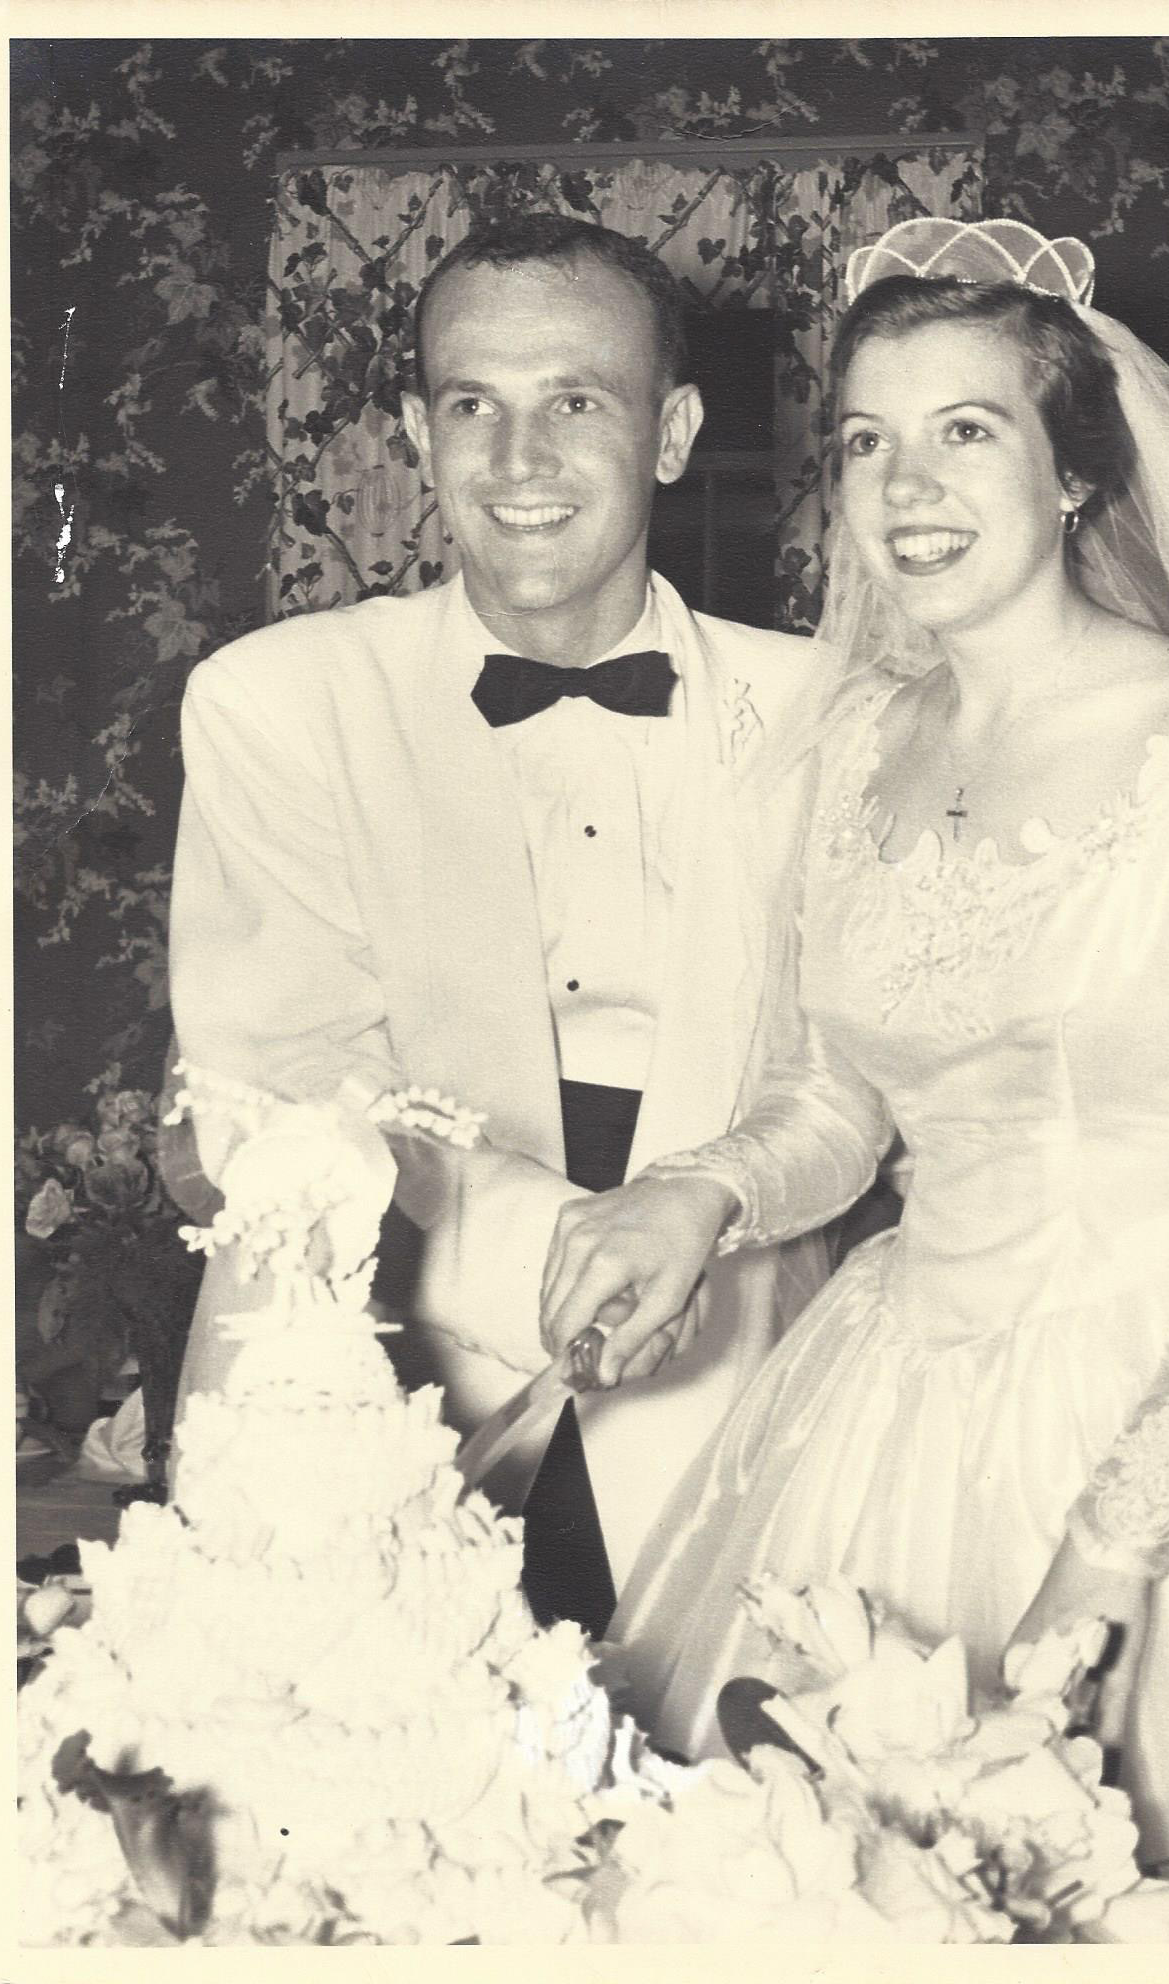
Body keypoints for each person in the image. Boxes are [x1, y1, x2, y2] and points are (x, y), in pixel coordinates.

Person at [537, 219, 1169, 1942]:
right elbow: (842, 1099)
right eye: (865, 441)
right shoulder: (857, 744)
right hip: (889, 1395)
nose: (903, 485)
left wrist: (1123, 1531)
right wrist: (697, 1193)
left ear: (1076, 471)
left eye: (966, 431)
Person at [165, 214, 831, 1639]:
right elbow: (283, 1081)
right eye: (475, 405)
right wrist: (578, 1246)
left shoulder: (837, 712)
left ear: (674, 432)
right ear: (416, 430)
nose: (519, 462)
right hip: (401, 1371)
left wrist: (693, 1220)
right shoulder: (276, 701)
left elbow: (864, 1071)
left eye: (576, 402)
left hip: (751, 1372)